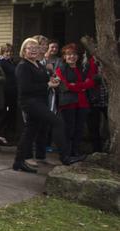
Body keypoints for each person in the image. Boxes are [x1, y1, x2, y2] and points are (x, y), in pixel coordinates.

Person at [12, 38, 86, 173]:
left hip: (40, 101)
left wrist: (53, 79)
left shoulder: (38, 65)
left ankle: (18, 162)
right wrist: (47, 85)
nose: (33, 49)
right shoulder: (23, 66)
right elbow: (25, 88)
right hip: (30, 103)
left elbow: (46, 79)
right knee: (58, 122)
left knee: (30, 131)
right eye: (30, 48)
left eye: (35, 47)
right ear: (24, 51)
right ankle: (65, 157)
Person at [55, 43, 93, 158]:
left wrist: (75, 86)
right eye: (69, 54)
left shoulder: (82, 68)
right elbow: (64, 86)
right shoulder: (60, 68)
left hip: (82, 103)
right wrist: (81, 86)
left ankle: (75, 152)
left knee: (79, 129)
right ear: (65, 57)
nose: (72, 57)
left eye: (74, 54)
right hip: (68, 103)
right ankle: (66, 154)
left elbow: (90, 83)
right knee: (68, 129)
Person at [0, 43, 18, 141]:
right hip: (5, 92)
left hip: (13, 92)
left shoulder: (12, 62)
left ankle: (6, 135)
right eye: (6, 52)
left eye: (10, 52)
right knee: (4, 114)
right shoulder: (0, 63)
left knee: (12, 114)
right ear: (2, 52)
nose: (8, 54)